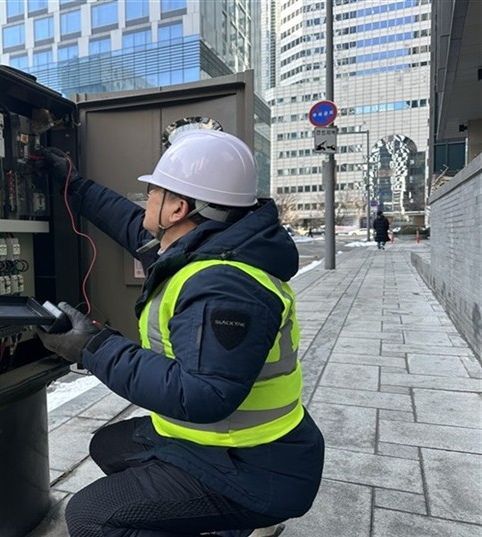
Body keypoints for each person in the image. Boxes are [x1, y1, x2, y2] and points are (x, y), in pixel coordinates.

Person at [37, 130, 324, 537]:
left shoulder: (225, 286)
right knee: (109, 445)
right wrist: (73, 184)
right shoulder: (207, 244)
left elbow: (203, 394)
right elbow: (128, 223)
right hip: (235, 448)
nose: (145, 201)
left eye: (153, 192)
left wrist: (93, 347)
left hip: (256, 468)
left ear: (178, 208)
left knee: (90, 515)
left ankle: (232, 520)